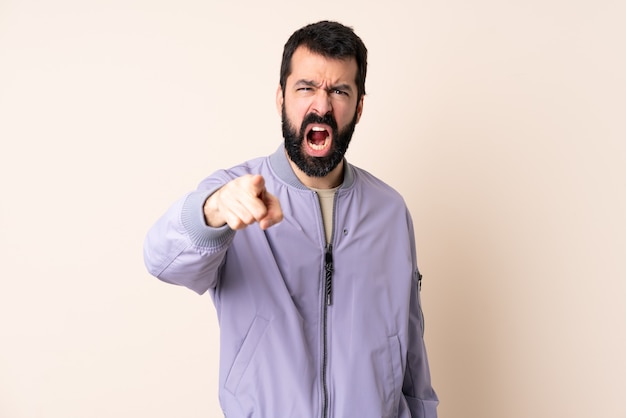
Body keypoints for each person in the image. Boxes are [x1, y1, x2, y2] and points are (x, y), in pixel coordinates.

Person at [144, 20, 438, 418]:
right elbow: (160, 260)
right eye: (306, 88)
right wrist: (212, 211)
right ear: (281, 98)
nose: (322, 105)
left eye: (339, 91)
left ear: (359, 106)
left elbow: (412, 357)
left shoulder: (390, 211)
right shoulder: (235, 194)